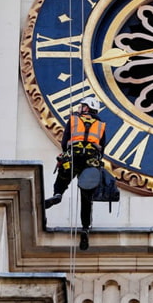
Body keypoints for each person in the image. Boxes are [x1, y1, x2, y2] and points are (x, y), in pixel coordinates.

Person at [44, 96, 107, 250]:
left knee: (62, 179)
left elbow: (65, 142)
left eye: (82, 106)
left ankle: (58, 195)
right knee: (86, 196)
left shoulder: (73, 120)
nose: (80, 109)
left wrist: (68, 151)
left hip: (74, 156)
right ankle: (85, 227)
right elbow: (103, 147)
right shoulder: (100, 125)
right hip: (90, 161)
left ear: (87, 108)